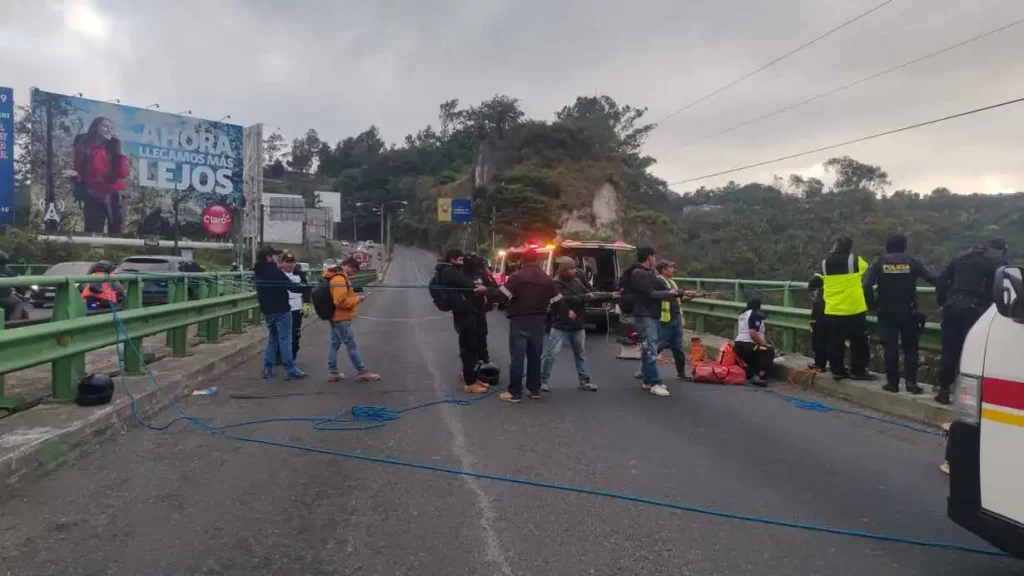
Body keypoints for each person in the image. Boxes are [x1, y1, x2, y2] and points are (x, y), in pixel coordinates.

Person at [934, 238, 1009, 404]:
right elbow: (1005, 288)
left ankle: (944, 390)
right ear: (1001, 250)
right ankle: (968, 397)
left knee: (949, 351)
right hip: (977, 314)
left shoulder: (962, 257)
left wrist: (943, 302)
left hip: (952, 309)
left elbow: (941, 281)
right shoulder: (998, 262)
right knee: (974, 355)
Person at [862, 234, 938, 394]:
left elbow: (867, 285)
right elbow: (933, 279)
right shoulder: (912, 262)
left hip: (886, 310)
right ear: (904, 246)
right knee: (910, 348)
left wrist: (872, 305)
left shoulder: (879, 262)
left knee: (890, 346)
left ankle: (892, 383)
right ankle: (911, 383)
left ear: (887, 246)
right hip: (909, 311)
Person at [496, 249, 567, 403]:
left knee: (517, 358)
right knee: (535, 356)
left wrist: (484, 291)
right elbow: (557, 301)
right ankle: (534, 389)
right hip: (538, 322)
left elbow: (501, 295)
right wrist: (565, 316)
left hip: (519, 321)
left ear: (523, 260)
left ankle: (515, 393)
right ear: (537, 260)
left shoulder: (517, 276)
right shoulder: (547, 279)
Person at [539, 257, 616, 392]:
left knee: (580, 354)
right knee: (552, 354)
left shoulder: (577, 282)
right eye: (572, 269)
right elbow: (565, 300)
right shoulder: (555, 284)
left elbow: (590, 293)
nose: (575, 271)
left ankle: (584, 381)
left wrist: (610, 295)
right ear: (564, 270)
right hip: (560, 325)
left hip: (578, 324)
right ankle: (543, 380)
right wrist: (585, 298)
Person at [621, 247, 679, 397]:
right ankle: (654, 382)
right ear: (649, 257)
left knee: (649, 348)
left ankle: (647, 380)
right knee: (650, 350)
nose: (655, 259)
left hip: (652, 315)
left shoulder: (650, 274)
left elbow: (662, 289)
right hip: (644, 316)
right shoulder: (639, 273)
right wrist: (669, 293)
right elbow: (650, 294)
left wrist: (682, 293)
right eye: (654, 256)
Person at [818, 236, 877, 381]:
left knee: (835, 342)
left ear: (835, 246)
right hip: (854, 308)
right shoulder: (855, 260)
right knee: (859, 342)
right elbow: (866, 270)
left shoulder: (825, 263)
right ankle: (858, 370)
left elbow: (820, 278)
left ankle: (837, 369)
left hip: (833, 309)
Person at [435, 248, 492, 394]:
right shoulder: (449, 272)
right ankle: (470, 383)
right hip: (464, 315)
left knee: (472, 348)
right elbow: (468, 284)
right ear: (452, 259)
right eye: (460, 260)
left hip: (467, 313)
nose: (462, 263)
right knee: (469, 349)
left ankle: (473, 378)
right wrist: (478, 288)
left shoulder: (449, 271)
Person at [62, 117, 130, 235]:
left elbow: (123, 173)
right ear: (96, 127)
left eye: (111, 128)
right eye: (105, 126)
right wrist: (75, 175)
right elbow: (81, 174)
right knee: (93, 237)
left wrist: (119, 151)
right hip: (95, 198)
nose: (109, 130)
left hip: (117, 199)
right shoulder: (84, 148)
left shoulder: (112, 149)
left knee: (117, 238)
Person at [253, 246, 307, 380]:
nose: (277, 258)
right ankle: (291, 368)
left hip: (267, 310)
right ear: (268, 257)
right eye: (275, 256)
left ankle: (267, 367)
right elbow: (291, 286)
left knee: (273, 339)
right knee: (285, 339)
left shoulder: (258, 271)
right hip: (281, 309)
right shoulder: (274, 271)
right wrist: (308, 289)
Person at [324, 257, 380, 382]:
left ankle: (333, 372)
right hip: (341, 318)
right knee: (351, 345)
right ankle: (362, 371)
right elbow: (339, 301)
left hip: (335, 316)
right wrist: (357, 300)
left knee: (335, 344)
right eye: (353, 270)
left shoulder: (337, 276)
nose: (354, 273)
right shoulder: (339, 278)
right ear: (347, 266)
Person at [655, 260, 700, 380]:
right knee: (658, 346)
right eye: (670, 268)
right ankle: (644, 371)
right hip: (665, 320)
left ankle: (681, 374)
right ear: (663, 270)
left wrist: (691, 296)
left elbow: (678, 299)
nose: (673, 270)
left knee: (678, 347)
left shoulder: (672, 282)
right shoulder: (659, 281)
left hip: (676, 319)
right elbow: (671, 295)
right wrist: (685, 292)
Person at [733, 297, 774, 386]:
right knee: (768, 351)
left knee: (756, 355)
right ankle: (758, 376)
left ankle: (750, 373)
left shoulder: (743, 314)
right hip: (748, 345)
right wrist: (764, 344)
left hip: (739, 345)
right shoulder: (755, 314)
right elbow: (752, 333)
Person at [279, 252, 311, 362]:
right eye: (287, 262)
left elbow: (307, 290)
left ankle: (292, 355)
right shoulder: (278, 274)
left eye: (291, 262)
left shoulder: (300, 274)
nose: (289, 265)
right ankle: (279, 356)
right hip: (282, 308)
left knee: (295, 333)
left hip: (297, 308)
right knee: (280, 334)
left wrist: (307, 304)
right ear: (282, 263)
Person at [806, 273, 829, 371]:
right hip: (834, 311)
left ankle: (820, 363)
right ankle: (834, 364)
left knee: (819, 337)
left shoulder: (820, 278)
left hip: (821, 314)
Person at [0, 251, 24, 322]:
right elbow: (17, 283)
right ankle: (13, 324)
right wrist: (22, 291)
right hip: (4, 296)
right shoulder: (7, 270)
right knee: (18, 303)